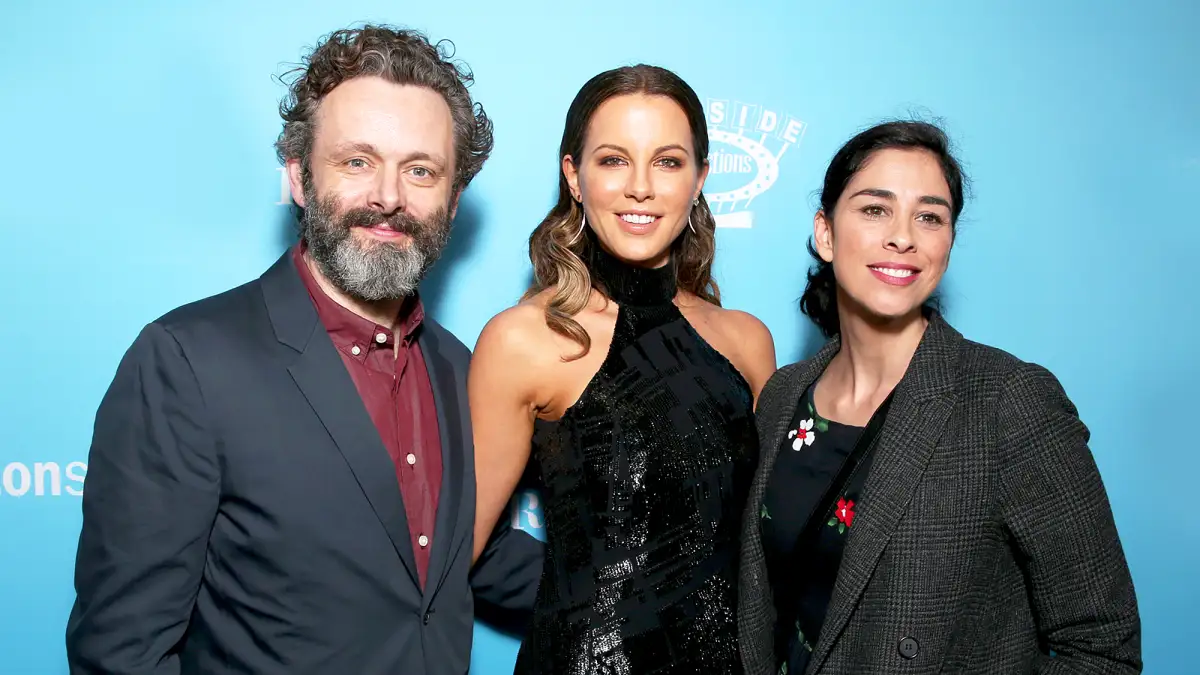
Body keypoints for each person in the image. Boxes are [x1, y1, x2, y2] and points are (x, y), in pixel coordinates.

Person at [66, 25, 542, 675]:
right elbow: (122, 652)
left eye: (421, 170)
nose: (388, 196)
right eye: (357, 161)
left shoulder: (466, 370)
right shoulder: (188, 363)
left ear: (454, 200)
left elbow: (465, 557)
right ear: (297, 176)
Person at [737, 120, 1142, 674]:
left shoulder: (1008, 403)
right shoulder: (784, 396)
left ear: (947, 243)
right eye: (875, 209)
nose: (902, 236)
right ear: (826, 233)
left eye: (929, 216)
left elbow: (1102, 647)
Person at [468, 64, 777, 674]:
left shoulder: (746, 342)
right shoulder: (525, 340)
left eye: (667, 162)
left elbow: (770, 545)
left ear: (700, 180)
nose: (641, 186)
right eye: (612, 160)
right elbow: (459, 552)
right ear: (574, 178)